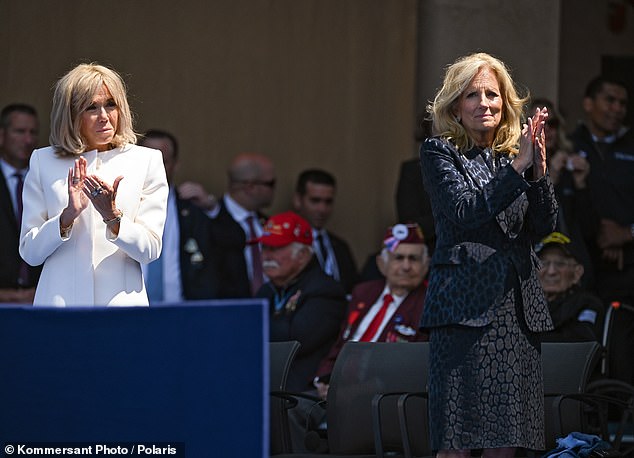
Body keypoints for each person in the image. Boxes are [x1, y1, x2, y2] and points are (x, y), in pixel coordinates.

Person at [419, 52, 558, 457]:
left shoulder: (514, 157)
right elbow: (466, 212)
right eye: (472, 95)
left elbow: (543, 228)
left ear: (506, 103)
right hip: (465, 311)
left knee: (507, 442)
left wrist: (538, 175)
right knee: (457, 441)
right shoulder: (440, 152)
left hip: (515, 314)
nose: (485, 103)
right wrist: (517, 170)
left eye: (493, 95)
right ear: (455, 107)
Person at [19, 63, 168, 306]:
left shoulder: (146, 160)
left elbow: (150, 250)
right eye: (91, 107)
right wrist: (66, 218)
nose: (104, 117)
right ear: (71, 115)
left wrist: (113, 217)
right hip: (59, 307)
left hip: (121, 308)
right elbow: (30, 253)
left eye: (111, 104)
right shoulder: (43, 161)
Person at [313, 222, 430, 400]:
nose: (406, 266)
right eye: (398, 258)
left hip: (380, 398)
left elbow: (405, 371)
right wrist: (323, 379)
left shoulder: (428, 303)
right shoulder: (363, 292)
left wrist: (343, 393)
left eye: (413, 259)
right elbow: (341, 343)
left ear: (426, 265)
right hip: (335, 390)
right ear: (381, 263)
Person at [254, 211, 346, 392]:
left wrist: (252, 327)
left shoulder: (325, 291)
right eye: (264, 248)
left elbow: (293, 341)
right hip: (266, 385)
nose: (267, 256)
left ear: (303, 255)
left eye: (276, 248)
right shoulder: (266, 291)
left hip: (300, 396)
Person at [569, 76, 634, 306]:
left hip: (628, 268)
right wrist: (601, 234)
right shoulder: (569, 146)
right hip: (581, 265)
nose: (617, 109)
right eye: (610, 100)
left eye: (623, 103)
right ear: (588, 104)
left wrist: (626, 234)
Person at [138, 129, 218, 303]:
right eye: (148, 161)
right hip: (130, 313)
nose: (154, 169)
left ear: (175, 164)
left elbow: (228, 242)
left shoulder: (191, 208)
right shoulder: (120, 205)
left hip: (182, 314)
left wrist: (211, 207)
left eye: (162, 162)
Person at [528, 98, 595, 288]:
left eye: (553, 124)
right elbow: (529, 219)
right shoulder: (518, 166)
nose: (547, 130)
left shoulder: (569, 164)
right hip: (536, 263)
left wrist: (581, 184)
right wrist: (552, 177)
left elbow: (589, 229)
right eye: (539, 124)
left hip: (570, 262)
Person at [207, 152, 276, 298]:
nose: (274, 190)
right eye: (270, 184)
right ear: (250, 186)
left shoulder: (269, 224)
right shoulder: (209, 221)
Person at [0, 104, 42, 303]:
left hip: (40, 299)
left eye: (32, 133)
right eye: (19, 131)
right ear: (2, 135)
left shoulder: (46, 182)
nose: (28, 140)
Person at [293, 169, 358, 294]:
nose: (322, 209)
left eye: (328, 202)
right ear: (298, 200)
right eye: (315, 201)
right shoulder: (287, 245)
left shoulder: (340, 246)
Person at [536, 231, 604, 342]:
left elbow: (581, 342)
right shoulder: (523, 305)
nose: (551, 271)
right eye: (543, 263)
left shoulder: (587, 304)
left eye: (560, 264)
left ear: (577, 273)